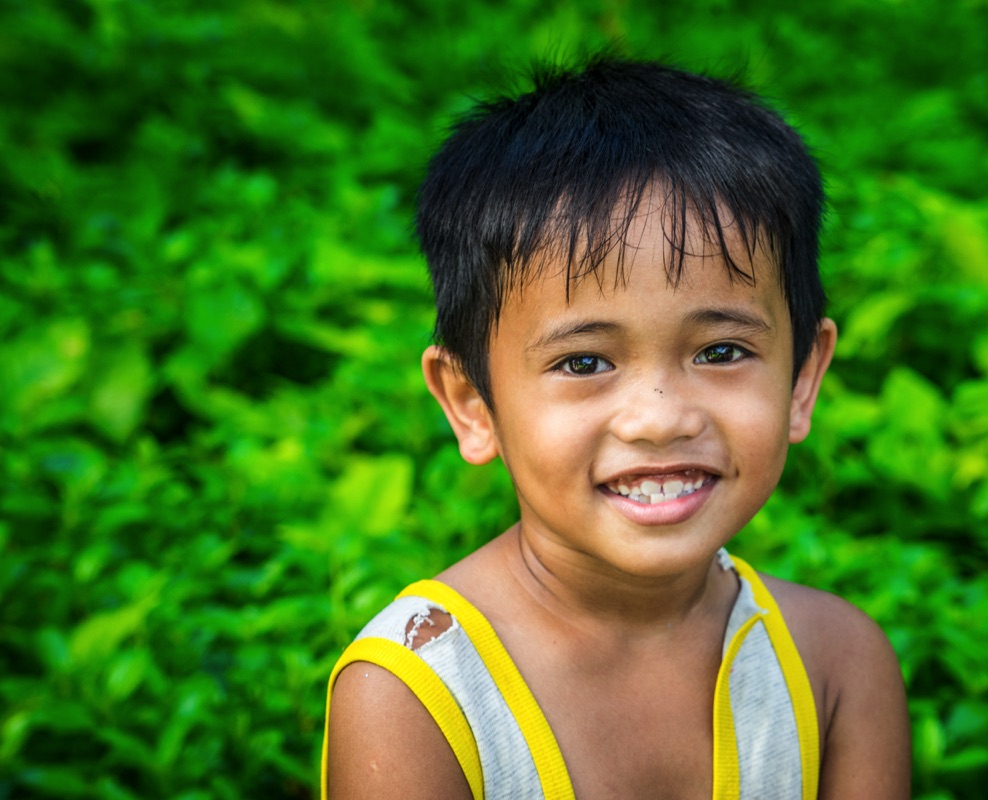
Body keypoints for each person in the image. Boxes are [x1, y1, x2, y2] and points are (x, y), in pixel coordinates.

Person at [322, 55, 910, 799]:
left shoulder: (835, 667)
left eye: (721, 351)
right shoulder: (418, 696)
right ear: (472, 402)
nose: (660, 417)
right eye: (584, 362)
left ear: (801, 379)